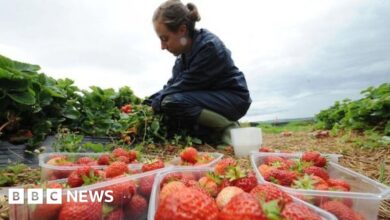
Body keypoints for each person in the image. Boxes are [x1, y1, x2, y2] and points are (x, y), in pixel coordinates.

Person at [144, 0, 251, 145]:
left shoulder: (209, 47)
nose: (162, 46)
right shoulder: (183, 57)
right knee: (170, 106)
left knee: (172, 102)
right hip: (209, 98)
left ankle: (228, 127)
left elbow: (181, 87)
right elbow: (171, 86)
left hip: (233, 99)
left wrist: (155, 105)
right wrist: (145, 104)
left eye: (165, 38)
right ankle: (211, 133)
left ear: (182, 30)